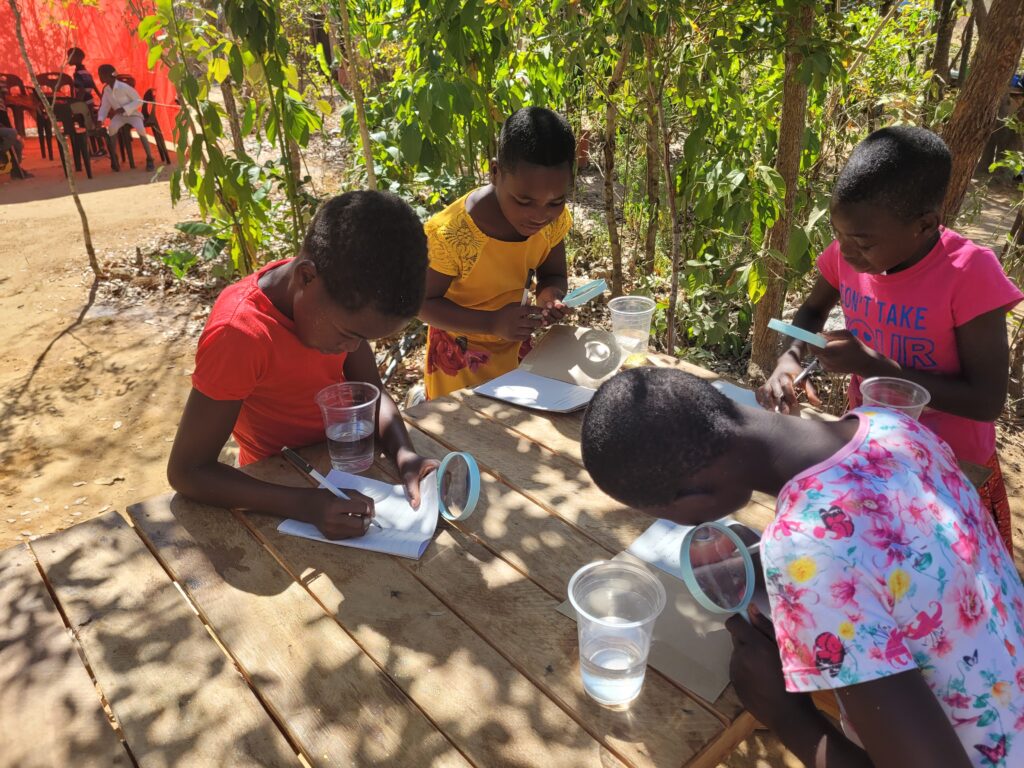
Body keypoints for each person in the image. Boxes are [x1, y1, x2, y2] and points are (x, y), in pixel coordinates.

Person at [582, 367, 1024, 768]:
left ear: (695, 495)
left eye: (682, 518)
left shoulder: (806, 551)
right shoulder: (893, 424)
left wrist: (785, 715)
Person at [756, 126, 1022, 555]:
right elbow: (811, 312)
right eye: (838, 235)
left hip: (949, 464)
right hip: (871, 443)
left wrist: (873, 364)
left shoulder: (969, 275)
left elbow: (987, 401)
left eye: (861, 242)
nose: (844, 252)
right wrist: (790, 356)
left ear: (924, 225)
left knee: (938, 580)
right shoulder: (851, 252)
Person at [168, 191, 437, 540]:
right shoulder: (239, 335)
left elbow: (372, 394)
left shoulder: (337, 293)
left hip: (344, 474)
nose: (354, 348)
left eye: (363, 339)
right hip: (274, 487)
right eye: (350, 335)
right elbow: (188, 471)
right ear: (306, 278)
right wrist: (305, 505)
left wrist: (404, 454)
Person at [419, 106, 575, 400]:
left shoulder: (552, 224)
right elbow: (421, 304)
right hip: (460, 357)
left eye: (556, 202)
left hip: (516, 346)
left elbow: (553, 273)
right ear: (494, 172)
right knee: (464, 434)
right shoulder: (452, 234)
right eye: (524, 200)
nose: (539, 216)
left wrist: (550, 296)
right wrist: (491, 324)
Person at [97, 64, 155, 172]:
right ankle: (114, 158)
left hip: (133, 114)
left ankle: (150, 157)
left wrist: (124, 109)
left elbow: (138, 101)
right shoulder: (106, 90)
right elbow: (104, 106)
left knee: (140, 129)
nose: (99, 76)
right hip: (119, 117)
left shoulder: (124, 87)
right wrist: (100, 119)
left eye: (100, 74)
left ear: (107, 76)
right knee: (112, 129)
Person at [66, 47, 105, 157]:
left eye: (70, 56)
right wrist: (101, 98)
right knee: (91, 124)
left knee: (86, 125)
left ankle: (92, 151)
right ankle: (99, 148)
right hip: (89, 101)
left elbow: (82, 90)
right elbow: (93, 86)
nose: (68, 59)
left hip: (84, 103)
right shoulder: (85, 71)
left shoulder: (78, 73)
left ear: (77, 58)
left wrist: (76, 102)